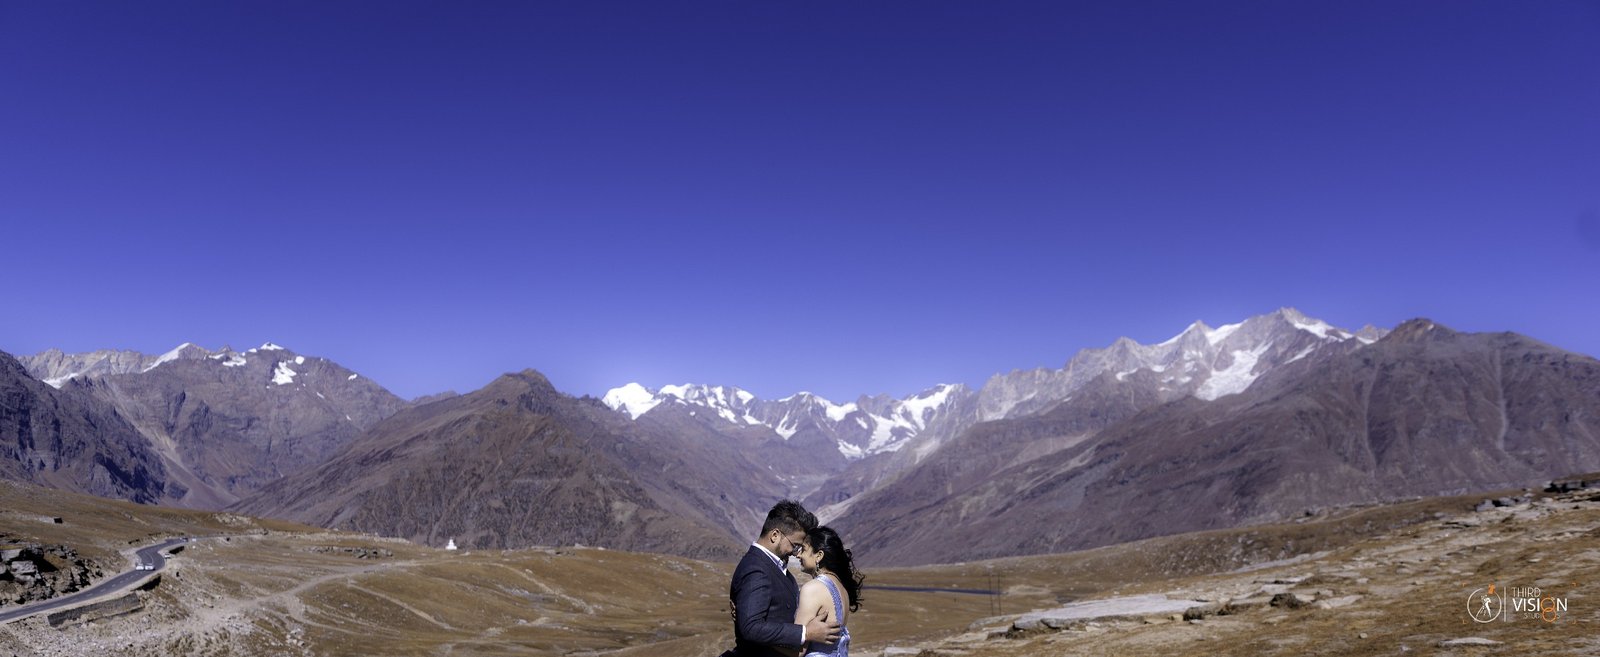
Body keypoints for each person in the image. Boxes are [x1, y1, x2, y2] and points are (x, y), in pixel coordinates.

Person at [727, 500, 839, 657]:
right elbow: (751, 627)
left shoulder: (773, 567)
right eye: (794, 545)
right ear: (775, 535)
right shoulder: (756, 569)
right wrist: (805, 633)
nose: (795, 553)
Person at [792, 526, 863, 657]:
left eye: (804, 549)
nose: (799, 554)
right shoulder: (842, 589)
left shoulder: (813, 589)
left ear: (819, 555)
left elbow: (796, 650)